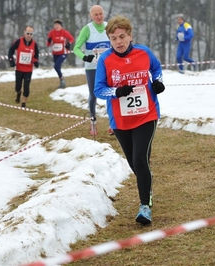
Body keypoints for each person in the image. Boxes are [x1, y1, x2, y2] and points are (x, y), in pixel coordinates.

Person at [94, 15, 165, 224]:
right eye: (114, 38)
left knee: (139, 160)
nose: (119, 41)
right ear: (109, 39)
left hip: (146, 114)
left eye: (122, 36)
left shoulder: (144, 52)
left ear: (130, 35)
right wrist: (117, 91)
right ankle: (147, 183)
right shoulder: (105, 60)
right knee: (137, 165)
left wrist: (158, 82)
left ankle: (145, 207)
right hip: (121, 120)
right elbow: (99, 90)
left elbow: (156, 69)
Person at [73, 5, 112, 136]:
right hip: (92, 68)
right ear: (91, 16)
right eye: (96, 15)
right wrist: (85, 57)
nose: (99, 17)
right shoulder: (87, 29)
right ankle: (93, 123)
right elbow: (76, 48)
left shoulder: (109, 27)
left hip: (107, 67)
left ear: (104, 13)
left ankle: (112, 124)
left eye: (100, 13)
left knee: (110, 93)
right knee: (93, 94)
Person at [8, 25, 39, 108]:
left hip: (28, 70)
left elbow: (36, 54)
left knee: (26, 86)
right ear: (24, 32)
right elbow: (10, 50)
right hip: (19, 68)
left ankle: (24, 102)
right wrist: (11, 61)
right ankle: (18, 93)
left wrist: (36, 62)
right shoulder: (18, 41)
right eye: (27, 33)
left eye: (31, 34)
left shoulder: (34, 44)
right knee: (17, 87)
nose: (29, 35)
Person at [46, 19, 74, 88]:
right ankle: (62, 81)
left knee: (56, 66)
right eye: (55, 25)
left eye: (58, 25)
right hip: (55, 52)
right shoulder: (51, 33)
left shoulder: (64, 32)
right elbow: (48, 44)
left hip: (63, 52)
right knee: (57, 67)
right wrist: (49, 41)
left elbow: (71, 38)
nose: (56, 26)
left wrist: (68, 43)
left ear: (61, 26)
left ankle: (62, 79)